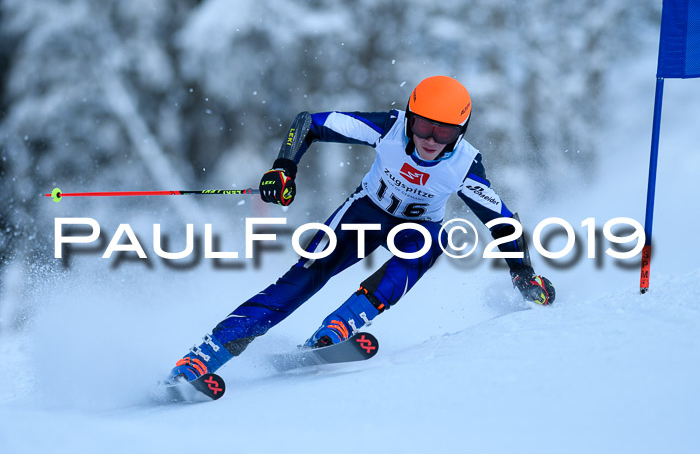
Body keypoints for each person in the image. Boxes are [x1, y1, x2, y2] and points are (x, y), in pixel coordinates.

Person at [168, 75, 555, 382]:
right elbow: (309, 123)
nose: (430, 141)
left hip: (416, 229)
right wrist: (284, 166)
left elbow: (502, 222)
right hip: (365, 213)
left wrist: (523, 275)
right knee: (302, 279)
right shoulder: (388, 128)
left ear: (461, 132)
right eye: (422, 127)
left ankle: (338, 327)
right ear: (409, 115)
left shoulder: (465, 167)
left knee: (433, 242)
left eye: (444, 133)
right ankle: (204, 357)